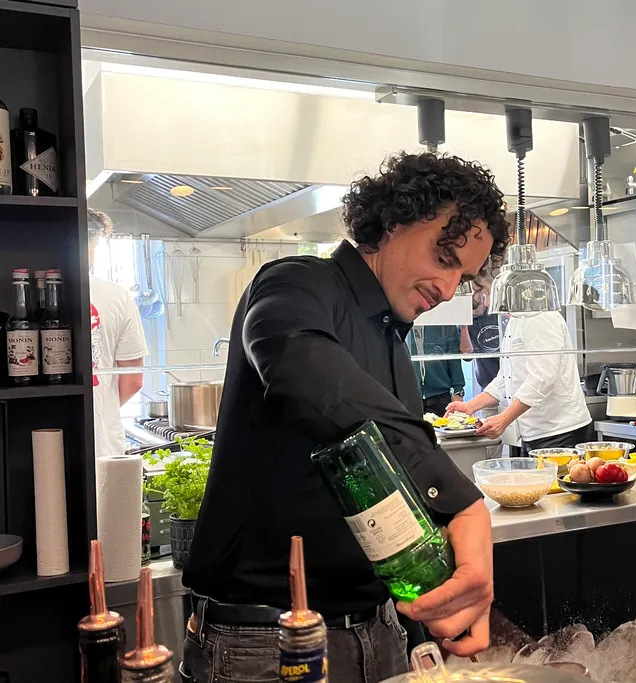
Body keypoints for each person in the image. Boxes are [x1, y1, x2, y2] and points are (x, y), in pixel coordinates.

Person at [181, 152, 509, 683]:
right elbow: (299, 365)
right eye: (444, 257)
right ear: (394, 219)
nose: (449, 290)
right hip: (266, 642)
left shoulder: (394, 342)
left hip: (379, 632)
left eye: (464, 278)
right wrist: (458, 500)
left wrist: (434, 607)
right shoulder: (295, 284)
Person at [448, 310, 592, 454]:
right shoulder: (515, 320)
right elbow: (505, 378)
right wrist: (469, 407)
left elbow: (542, 378)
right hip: (533, 431)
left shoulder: (541, 316)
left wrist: (504, 418)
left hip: (560, 430)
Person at [87, 209, 147, 457]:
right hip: (101, 446)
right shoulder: (117, 296)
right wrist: (102, 407)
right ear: (92, 243)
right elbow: (134, 380)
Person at [407, 325, 465, 415]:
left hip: (441, 394)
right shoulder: (400, 325)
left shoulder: (443, 324)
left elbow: (454, 360)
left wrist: (458, 391)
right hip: (408, 393)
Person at [460, 272, 501, 394]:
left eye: (473, 292)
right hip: (486, 386)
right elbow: (467, 357)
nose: (470, 297)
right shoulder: (464, 322)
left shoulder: (497, 312)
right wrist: (463, 327)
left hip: (509, 382)